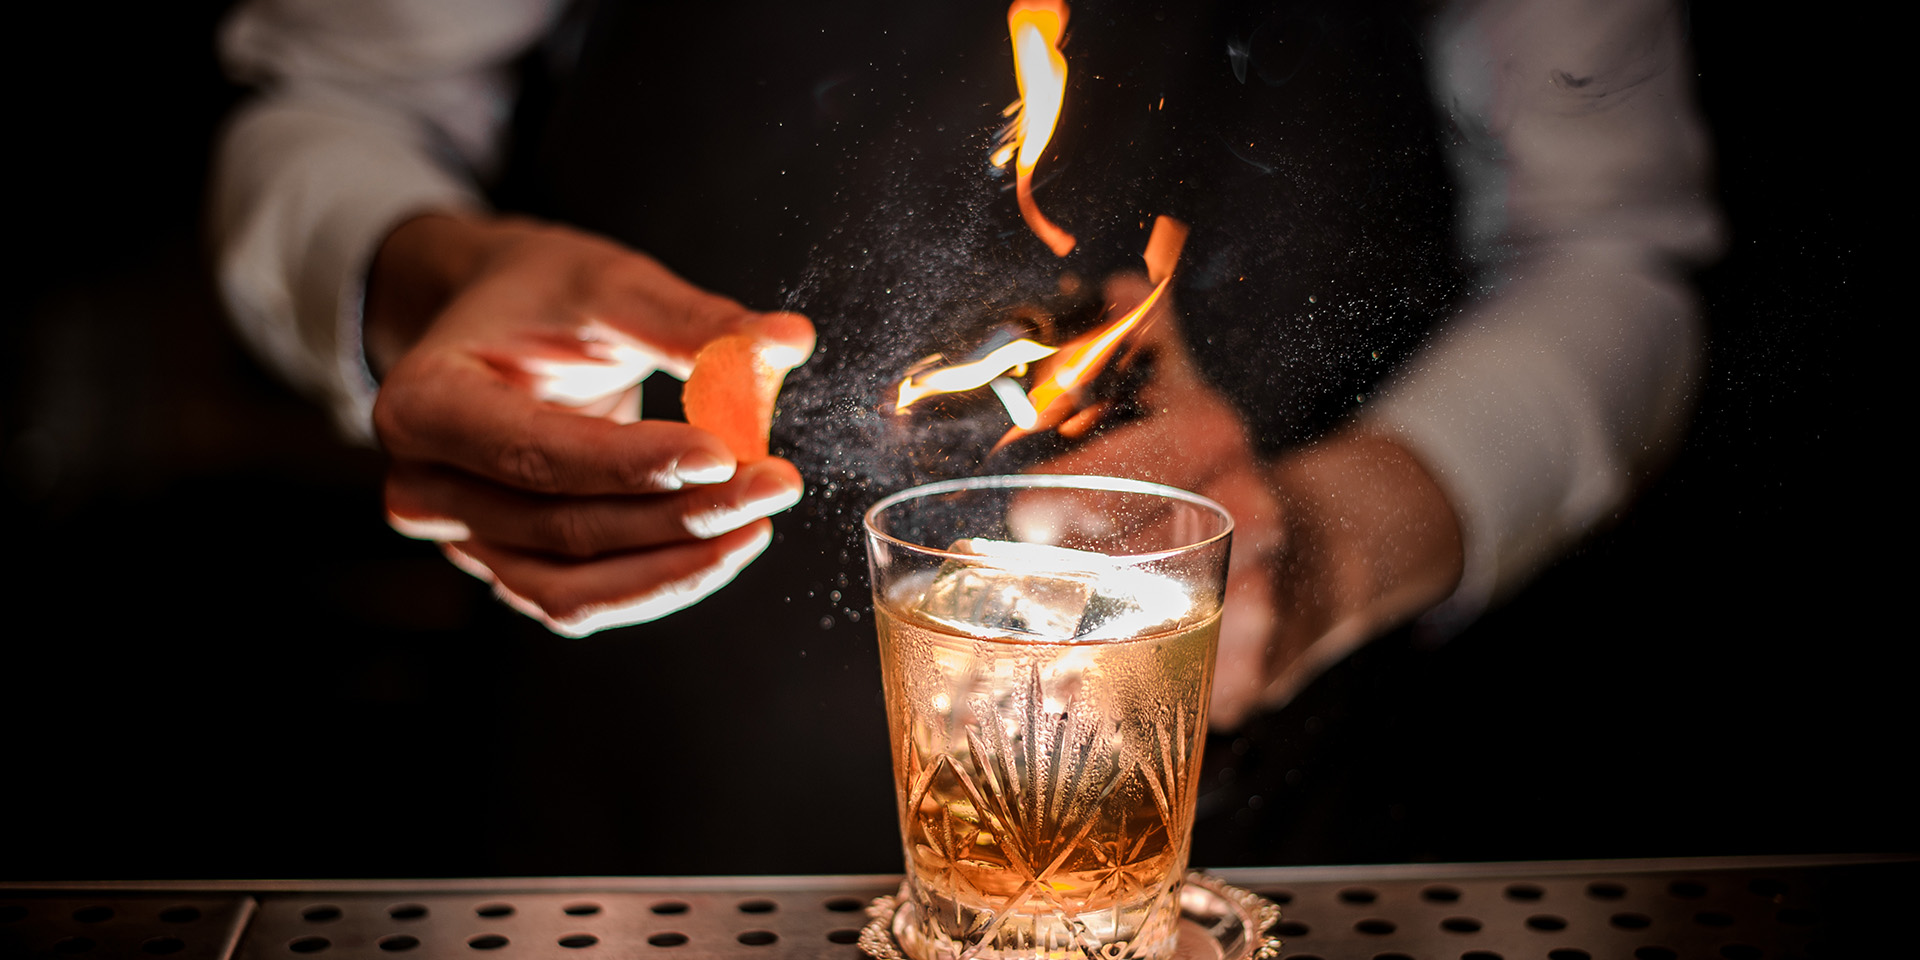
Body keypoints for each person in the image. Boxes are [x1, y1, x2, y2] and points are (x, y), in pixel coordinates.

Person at [213, 0, 1719, 734]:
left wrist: (1334, 542)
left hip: (1302, 818)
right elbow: (337, 101)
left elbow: (1615, 247)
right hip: (644, 801)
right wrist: (424, 280)